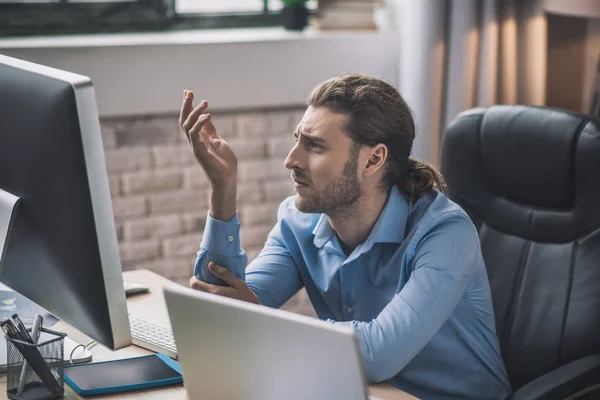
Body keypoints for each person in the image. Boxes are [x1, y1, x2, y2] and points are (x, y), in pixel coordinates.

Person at [179, 74, 511, 399]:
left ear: (373, 159)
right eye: (297, 140)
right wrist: (222, 189)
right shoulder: (297, 224)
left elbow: (378, 354)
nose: (291, 160)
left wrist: (262, 325)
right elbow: (221, 317)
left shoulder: (445, 233)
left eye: (315, 146)